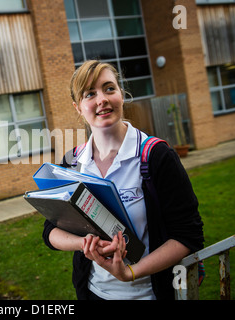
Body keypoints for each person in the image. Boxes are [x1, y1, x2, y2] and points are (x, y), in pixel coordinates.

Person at [42, 60, 204, 300]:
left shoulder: (157, 157)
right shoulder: (72, 163)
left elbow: (187, 236)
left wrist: (130, 272)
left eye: (109, 89)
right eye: (90, 94)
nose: (102, 100)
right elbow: (50, 230)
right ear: (78, 107)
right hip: (92, 293)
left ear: (121, 94)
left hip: (149, 294)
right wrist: (82, 243)